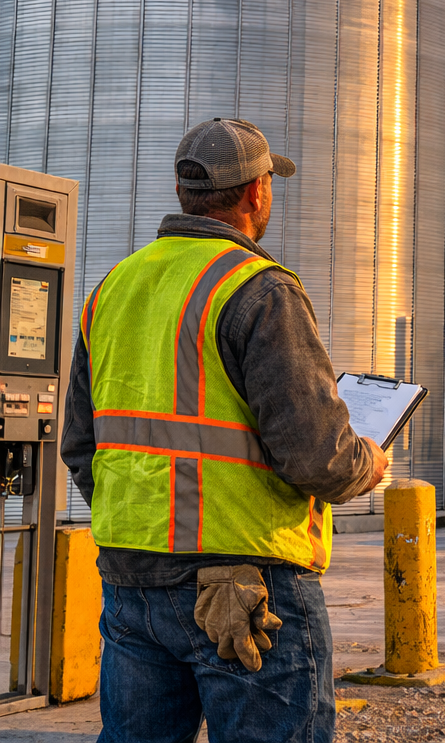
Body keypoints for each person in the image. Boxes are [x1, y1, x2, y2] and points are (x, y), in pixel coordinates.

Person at [61, 117, 389, 743]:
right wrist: (366, 463)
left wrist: (142, 523)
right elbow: (317, 455)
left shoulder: (114, 288)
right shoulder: (258, 289)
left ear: (185, 192)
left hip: (131, 581)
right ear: (255, 192)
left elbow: (82, 443)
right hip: (246, 583)